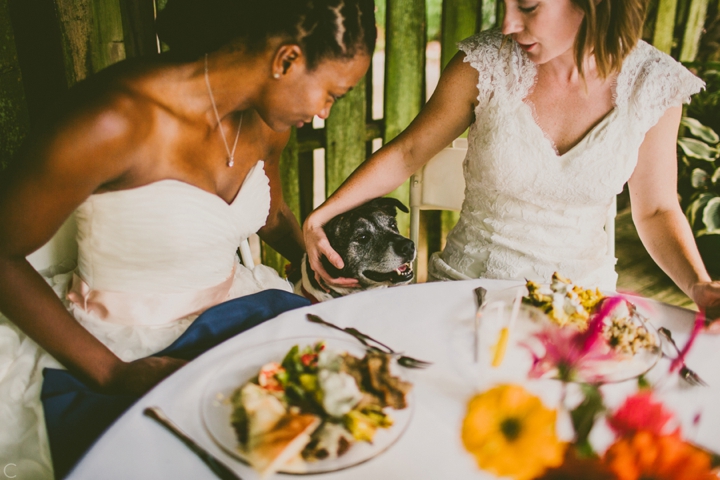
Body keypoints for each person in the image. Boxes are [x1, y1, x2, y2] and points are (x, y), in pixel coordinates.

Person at [0, 0, 375, 476]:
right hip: (120, 348)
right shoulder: (113, 120)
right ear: (286, 60)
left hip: (238, 313)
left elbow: (268, 213)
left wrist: (316, 258)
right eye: (332, 95)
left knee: (340, 430)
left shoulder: (265, 123)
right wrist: (113, 372)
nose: (324, 113)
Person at [304, 0, 720, 310]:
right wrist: (321, 215)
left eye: (527, 5)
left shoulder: (655, 86)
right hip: (466, 293)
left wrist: (700, 285)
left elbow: (657, 210)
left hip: (581, 307)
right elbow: (408, 152)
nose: (507, 23)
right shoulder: (484, 64)